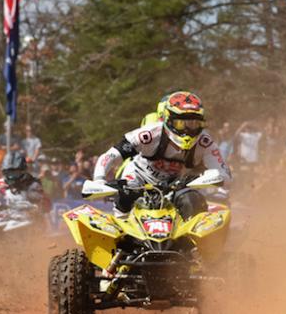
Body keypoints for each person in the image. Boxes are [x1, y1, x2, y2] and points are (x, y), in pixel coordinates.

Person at [93, 91, 231, 218]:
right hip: (139, 179)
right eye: (181, 123)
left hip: (177, 186)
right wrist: (99, 179)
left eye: (194, 123)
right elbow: (111, 155)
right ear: (168, 120)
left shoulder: (205, 142)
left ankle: (196, 241)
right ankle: (121, 229)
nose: (188, 130)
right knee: (127, 194)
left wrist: (205, 178)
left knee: (192, 200)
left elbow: (224, 174)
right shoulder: (149, 134)